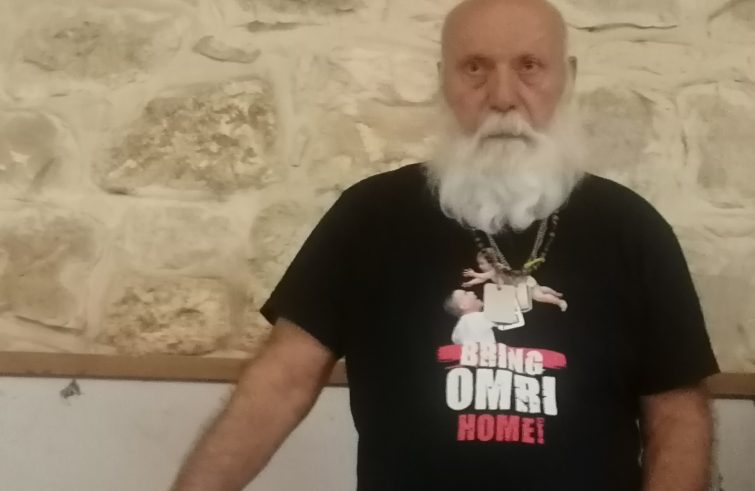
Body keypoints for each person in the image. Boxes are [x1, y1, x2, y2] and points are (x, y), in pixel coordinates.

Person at [170, 0, 719, 490]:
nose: (502, 97)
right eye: (475, 67)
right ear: (443, 80)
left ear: (566, 77)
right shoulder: (370, 217)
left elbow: (677, 415)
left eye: (529, 66)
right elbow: (282, 380)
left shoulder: (632, 228)